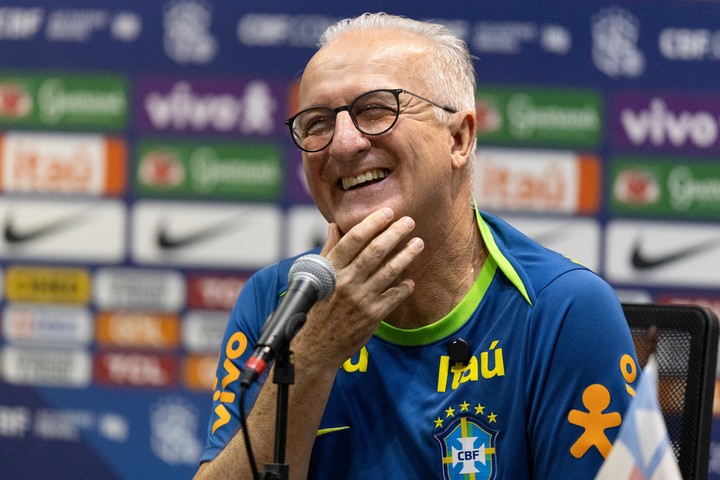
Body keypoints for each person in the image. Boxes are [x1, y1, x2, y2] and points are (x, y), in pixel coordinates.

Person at [196, 12, 639, 479]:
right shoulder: (278, 301)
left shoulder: (564, 309)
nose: (343, 144)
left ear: (460, 137)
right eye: (317, 122)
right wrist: (311, 355)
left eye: (376, 109)